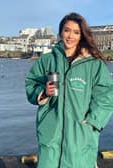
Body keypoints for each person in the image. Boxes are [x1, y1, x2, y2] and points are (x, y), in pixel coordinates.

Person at [25, 12, 113, 168]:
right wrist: (44, 92)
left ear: (82, 35)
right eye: (67, 30)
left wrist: (93, 121)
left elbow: (106, 96)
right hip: (50, 131)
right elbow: (31, 83)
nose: (70, 36)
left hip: (80, 132)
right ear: (60, 32)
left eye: (76, 32)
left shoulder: (94, 64)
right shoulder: (47, 60)